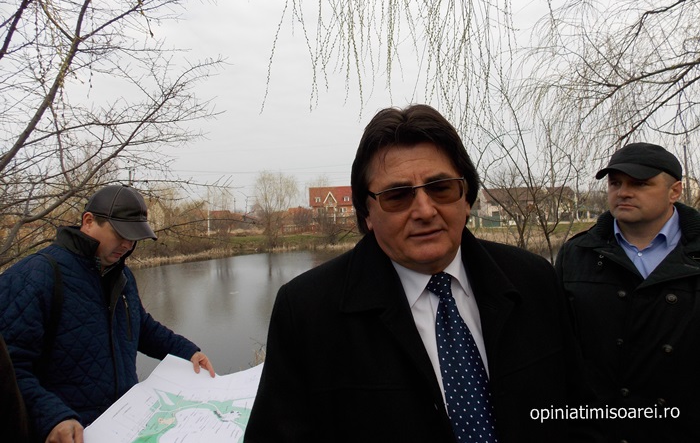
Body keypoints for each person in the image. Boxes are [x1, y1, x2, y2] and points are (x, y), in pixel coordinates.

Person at [246, 104, 589, 443]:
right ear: (367, 213)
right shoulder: (307, 313)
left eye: (441, 188)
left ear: (466, 197)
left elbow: (581, 415)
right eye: (397, 196)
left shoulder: (534, 281)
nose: (425, 210)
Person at [0, 185, 215, 443]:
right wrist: (52, 417)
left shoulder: (121, 275)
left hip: (124, 427)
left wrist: (186, 351)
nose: (127, 244)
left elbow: (141, 326)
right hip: (72, 433)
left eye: (134, 237)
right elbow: (10, 368)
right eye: (120, 234)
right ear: (88, 221)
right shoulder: (34, 276)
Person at [555, 142, 700, 442]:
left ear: (675, 191)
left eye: (639, 184)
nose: (623, 192)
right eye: (615, 183)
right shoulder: (576, 255)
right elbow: (557, 348)